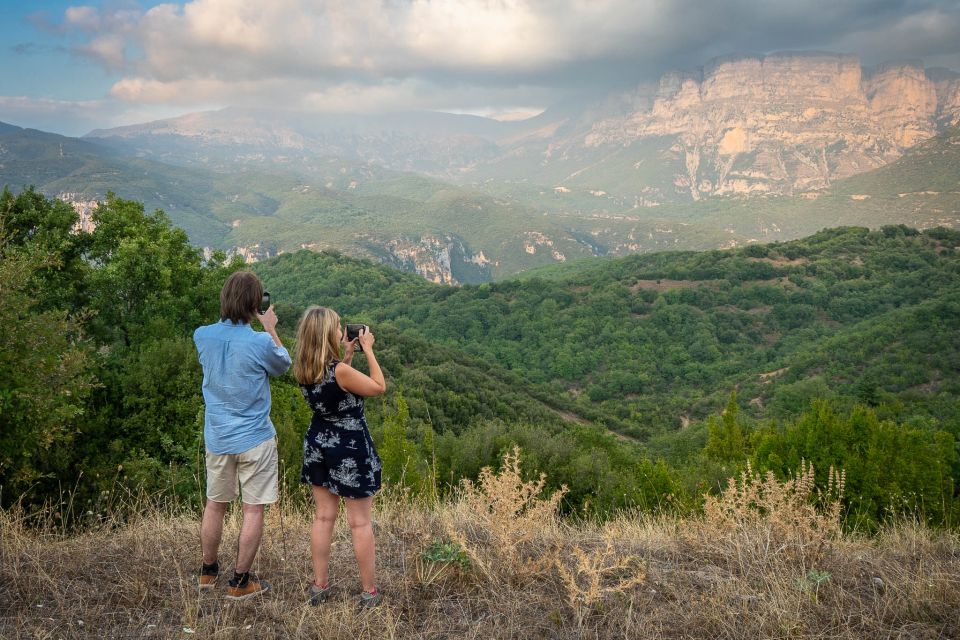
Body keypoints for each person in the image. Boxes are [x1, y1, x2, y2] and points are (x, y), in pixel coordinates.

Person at [193, 271, 291, 600]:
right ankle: (240, 582)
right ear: (254, 304)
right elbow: (283, 365)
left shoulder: (202, 335)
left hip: (218, 436)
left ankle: (207, 573)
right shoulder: (260, 342)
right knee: (252, 510)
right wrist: (270, 327)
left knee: (215, 504)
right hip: (254, 438)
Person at [293, 306, 386, 608]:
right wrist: (368, 350)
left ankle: (320, 586)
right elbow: (378, 387)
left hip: (319, 443)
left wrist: (347, 355)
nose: (340, 332)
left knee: (323, 517)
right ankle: (369, 592)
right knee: (359, 523)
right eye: (335, 328)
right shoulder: (340, 372)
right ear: (324, 334)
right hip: (348, 448)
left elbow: (333, 393)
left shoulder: (305, 368)